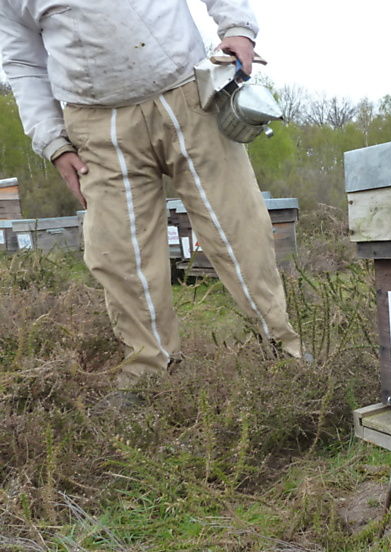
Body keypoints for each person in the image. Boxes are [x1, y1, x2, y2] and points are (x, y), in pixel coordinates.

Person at [0, 0, 304, 387]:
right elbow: (23, 64)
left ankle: (284, 351)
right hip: (95, 123)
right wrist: (53, 143)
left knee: (238, 226)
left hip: (186, 93)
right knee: (118, 252)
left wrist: (238, 28)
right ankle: (148, 374)